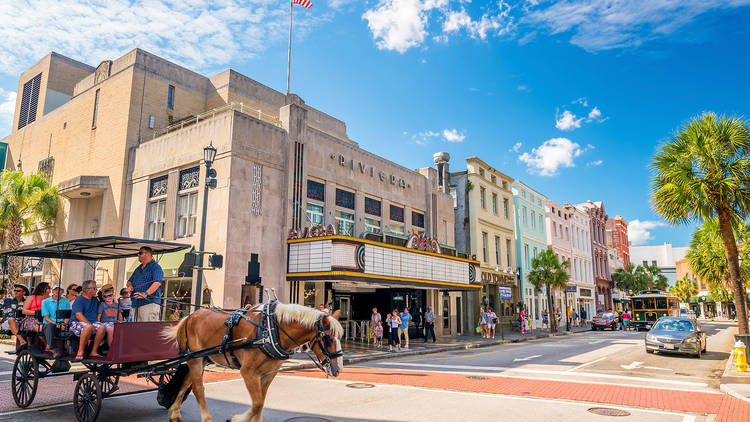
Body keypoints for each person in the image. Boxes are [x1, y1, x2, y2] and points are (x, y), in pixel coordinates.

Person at [70, 280, 107, 360]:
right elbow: (78, 315)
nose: (96, 290)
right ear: (87, 290)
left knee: (102, 327)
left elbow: (103, 308)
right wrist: (90, 325)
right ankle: (80, 351)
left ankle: (93, 351)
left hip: (92, 322)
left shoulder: (94, 300)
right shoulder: (79, 299)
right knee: (88, 327)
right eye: (94, 288)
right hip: (77, 322)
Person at [127, 246, 164, 322]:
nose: (138, 255)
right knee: (136, 329)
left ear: (148, 254)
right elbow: (129, 281)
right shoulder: (138, 268)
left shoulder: (155, 267)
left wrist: (145, 293)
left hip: (149, 303)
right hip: (135, 303)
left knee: (147, 330)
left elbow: (157, 283)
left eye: (140, 253)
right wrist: (130, 286)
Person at [41, 284, 71, 356]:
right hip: (50, 323)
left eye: (60, 290)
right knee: (50, 325)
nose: (57, 291)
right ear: (52, 291)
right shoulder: (45, 301)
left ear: (63, 291)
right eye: (55, 290)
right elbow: (46, 318)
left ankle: (71, 348)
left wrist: (64, 324)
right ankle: (52, 347)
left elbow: (67, 315)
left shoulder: (66, 301)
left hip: (62, 323)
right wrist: (56, 325)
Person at [97, 284, 122, 349]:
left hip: (115, 322)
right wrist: (99, 324)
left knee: (123, 329)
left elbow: (119, 315)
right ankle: (111, 348)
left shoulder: (117, 305)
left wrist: (121, 322)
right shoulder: (102, 304)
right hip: (105, 323)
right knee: (111, 329)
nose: (109, 297)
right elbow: (99, 316)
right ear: (103, 298)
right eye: (106, 296)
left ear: (113, 296)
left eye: (110, 295)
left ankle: (120, 347)